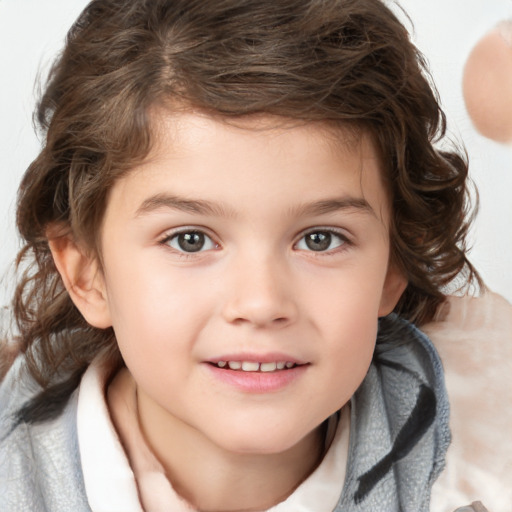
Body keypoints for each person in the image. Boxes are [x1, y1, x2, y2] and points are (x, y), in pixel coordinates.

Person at [0, 0, 510, 510]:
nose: (261, 303)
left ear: (393, 266)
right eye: (190, 239)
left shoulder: (486, 438)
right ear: (86, 272)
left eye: (320, 239)